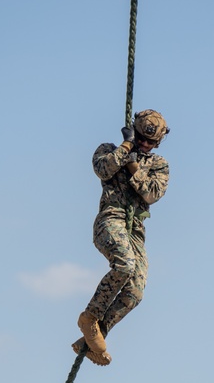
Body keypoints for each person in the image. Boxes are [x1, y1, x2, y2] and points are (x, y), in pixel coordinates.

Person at [72, 109, 170, 366]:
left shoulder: (159, 165)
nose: (145, 145)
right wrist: (126, 147)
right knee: (124, 265)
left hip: (135, 230)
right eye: (140, 139)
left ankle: (95, 338)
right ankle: (89, 318)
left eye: (151, 142)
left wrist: (133, 164)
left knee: (135, 292)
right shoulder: (108, 149)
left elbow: (151, 194)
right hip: (111, 220)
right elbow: (104, 170)